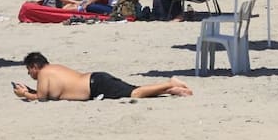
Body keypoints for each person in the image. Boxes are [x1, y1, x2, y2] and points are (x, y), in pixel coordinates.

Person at [13, 52, 192, 101]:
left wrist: (25, 94)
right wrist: (29, 91)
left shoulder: (44, 73)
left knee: (135, 93)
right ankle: (171, 89)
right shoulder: (52, 69)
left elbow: (42, 98)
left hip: (95, 86)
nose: (30, 74)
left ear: (35, 66)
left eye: (29, 70)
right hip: (95, 81)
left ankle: (170, 82)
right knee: (134, 90)